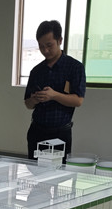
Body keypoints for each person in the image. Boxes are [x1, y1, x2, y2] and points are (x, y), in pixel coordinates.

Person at [23, 20, 86, 162]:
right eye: (41, 46)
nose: (45, 50)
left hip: (60, 132)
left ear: (60, 40)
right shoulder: (36, 71)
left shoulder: (75, 67)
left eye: (49, 45)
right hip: (37, 130)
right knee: (34, 170)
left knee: (59, 172)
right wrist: (35, 99)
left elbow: (78, 100)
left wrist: (54, 95)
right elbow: (28, 104)